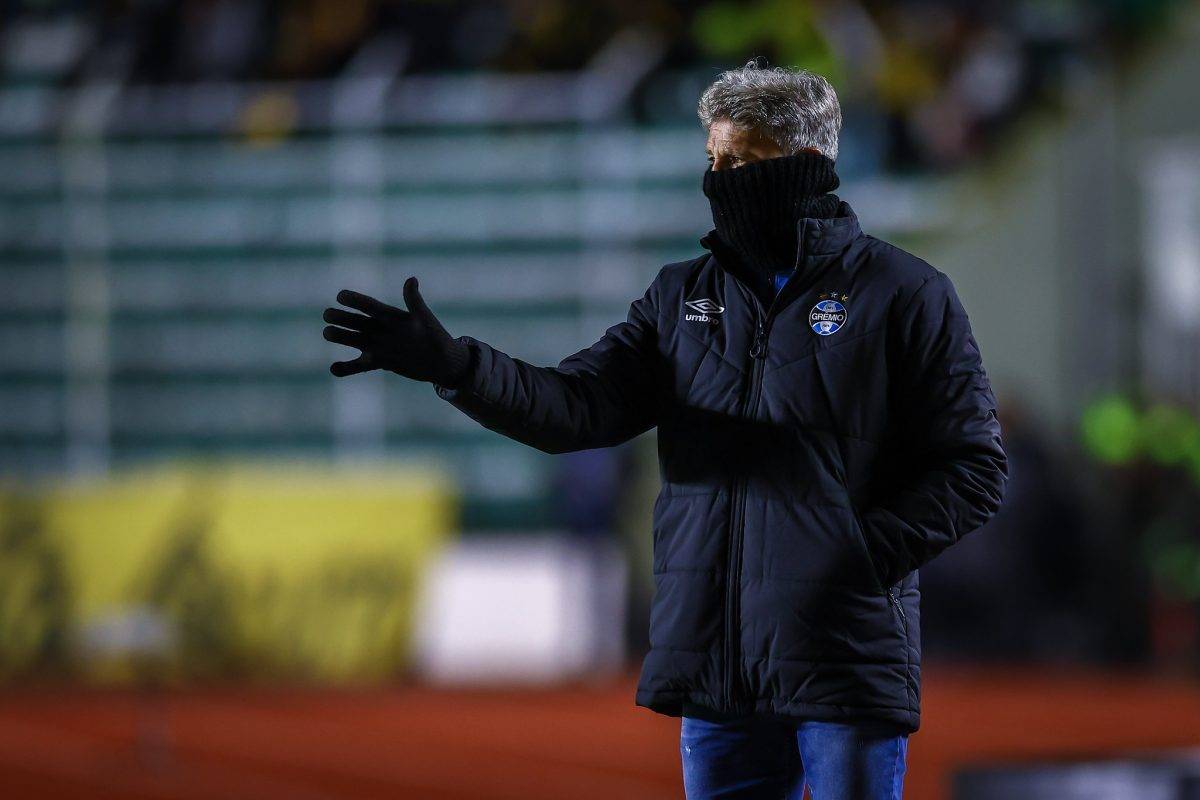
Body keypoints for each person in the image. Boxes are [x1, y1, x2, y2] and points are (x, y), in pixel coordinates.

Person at [322, 60, 1007, 800]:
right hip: (713, 662)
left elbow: (974, 467)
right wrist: (458, 367)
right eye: (713, 159)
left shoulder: (905, 293)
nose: (719, 179)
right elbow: (576, 406)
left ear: (807, 163)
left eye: (740, 160)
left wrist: (855, 560)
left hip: (842, 654)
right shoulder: (678, 297)